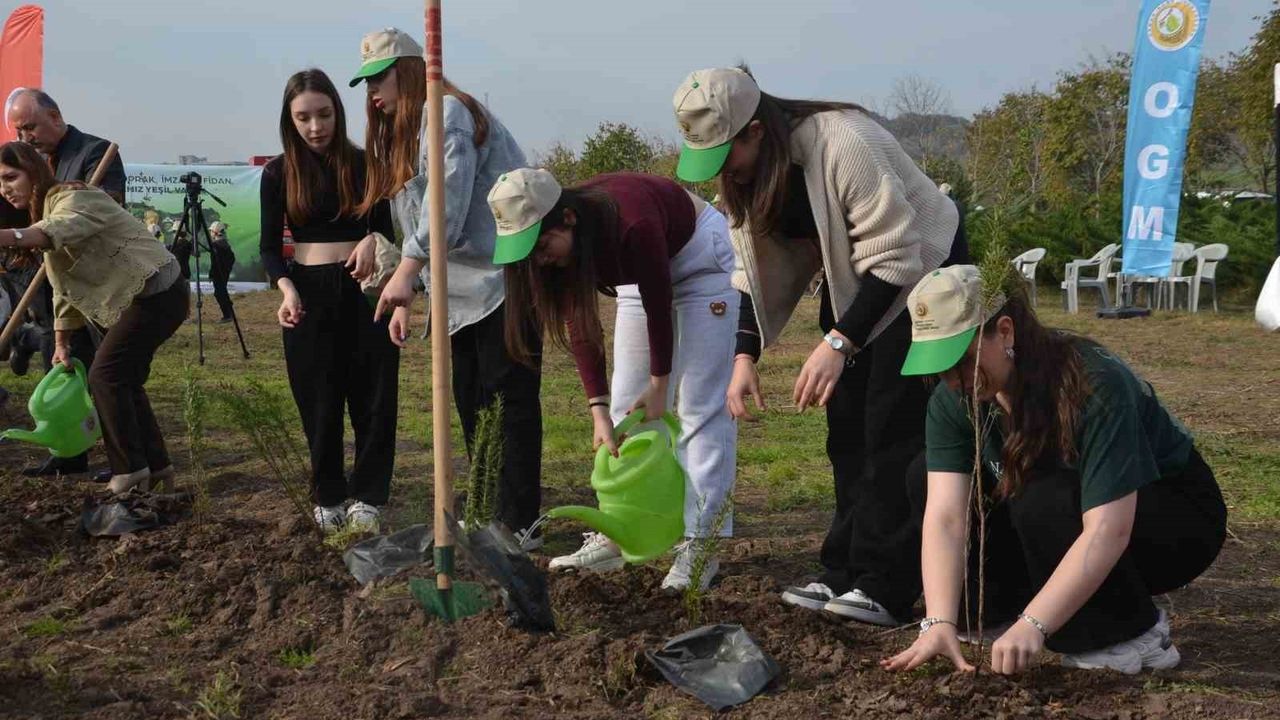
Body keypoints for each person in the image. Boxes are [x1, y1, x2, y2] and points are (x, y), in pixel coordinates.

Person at [671, 67, 964, 625]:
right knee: (846, 433)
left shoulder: (846, 142)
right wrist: (744, 356)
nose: (724, 172)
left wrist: (839, 341)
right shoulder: (751, 175)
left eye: (726, 155)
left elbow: (898, 255)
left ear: (756, 131)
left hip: (923, 273)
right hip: (859, 277)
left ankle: (886, 584)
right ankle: (843, 569)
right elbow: (748, 272)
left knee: (890, 431)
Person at [882, 265, 1226, 675]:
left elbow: (1108, 529)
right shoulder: (956, 396)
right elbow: (946, 516)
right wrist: (940, 620)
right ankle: (997, 614)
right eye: (939, 366)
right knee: (924, 474)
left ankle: (1126, 633)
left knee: (1042, 492)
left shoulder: (1093, 384)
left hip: (1169, 522)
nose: (954, 380)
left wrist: (1035, 623)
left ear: (1005, 332)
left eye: (963, 359)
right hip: (1061, 510)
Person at [489, 167, 739, 591]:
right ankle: (618, 533)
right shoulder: (570, 246)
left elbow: (658, 301)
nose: (539, 259)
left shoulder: (631, 221)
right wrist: (598, 410)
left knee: (700, 406)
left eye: (542, 245)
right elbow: (581, 325)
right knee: (626, 407)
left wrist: (660, 383)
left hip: (700, 261)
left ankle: (701, 543)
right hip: (637, 276)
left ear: (567, 218)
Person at [352, 28, 545, 548]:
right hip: (457, 293)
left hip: (503, 278)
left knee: (508, 400)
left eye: (380, 76)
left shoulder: (447, 113)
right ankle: (485, 513)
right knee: (471, 400)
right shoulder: (408, 134)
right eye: (366, 81)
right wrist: (411, 290)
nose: (372, 91)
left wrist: (404, 273)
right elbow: (416, 218)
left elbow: (446, 207)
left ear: (409, 70)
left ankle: (519, 522)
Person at [0, 141, 187, 493]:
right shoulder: (45, 212)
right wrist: (61, 341)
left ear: (33, 172)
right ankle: (157, 468)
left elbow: (58, 228)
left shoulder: (73, 198)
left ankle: (129, 472)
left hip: (158, 291)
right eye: (0, 182)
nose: (4, 189)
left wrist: (10, 236)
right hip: (143, 297)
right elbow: (63, 287)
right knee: (124, 379)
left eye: (11, 177)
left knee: (106, 376)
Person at [260, 69, 399, 534]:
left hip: (365, 291)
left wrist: (373, 239)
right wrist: (286, 288)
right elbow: (268, 248)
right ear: (290, 120)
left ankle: (369, 496)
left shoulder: (367, 164)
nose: (315, 127)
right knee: (318, 400)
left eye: (324, 114)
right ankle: (329, 494)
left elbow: (388, 233)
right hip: (307, 294)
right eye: (304, 118)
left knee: (373, 396)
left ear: (338, 113)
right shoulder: (277, 173)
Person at [6, 88, 126, 478]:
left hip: (92, 282)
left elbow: (109, 204)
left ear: (55, 117)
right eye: (18, 131)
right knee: (58, 362)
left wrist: (67, 213)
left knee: (104, 374)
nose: (25, 137)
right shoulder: (30, 162)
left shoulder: (94, 152)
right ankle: (68, 452)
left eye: (29, 127)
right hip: (47, 281)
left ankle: (125, 457)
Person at [207, 221, 236, 323]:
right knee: (222, 292)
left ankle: (227, 315)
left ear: (215, 232)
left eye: (211, 231)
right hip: (224, 273)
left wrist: (212, 274)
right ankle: (230, 313)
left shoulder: (215, 245)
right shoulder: (225, 244)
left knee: (219, 293)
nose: (210, 233)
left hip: (218, 274)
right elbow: (232, 258)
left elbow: (214, 262)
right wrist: (227, 269)